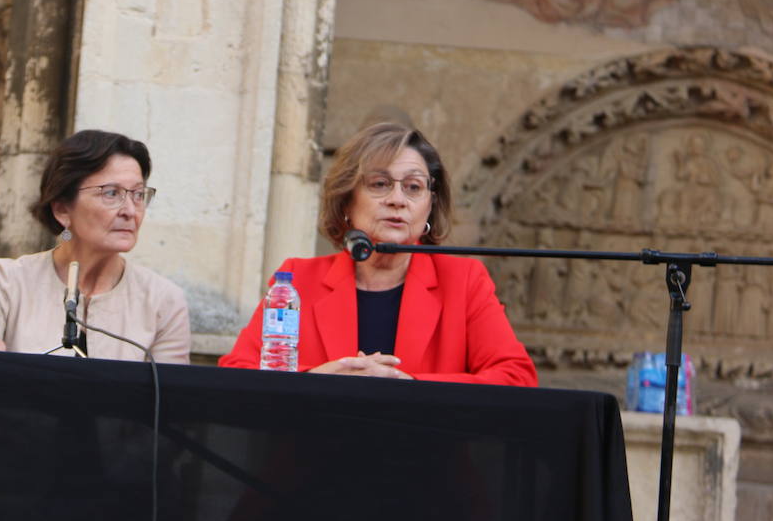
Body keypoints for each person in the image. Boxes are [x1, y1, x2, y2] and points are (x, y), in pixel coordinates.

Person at [220, 121, 536, 385]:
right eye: (380, 183)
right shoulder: (298, 281)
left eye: (413, 187)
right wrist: (317, 380)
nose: (397, 199)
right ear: (346, 201)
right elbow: (237, 373)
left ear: (430, 205)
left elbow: (516, 376)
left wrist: (410, 387)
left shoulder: (464, 282)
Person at [0, 129, 190, 363]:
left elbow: (174, 400)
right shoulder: (10, 281)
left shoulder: (163, 301)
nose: (130, 211)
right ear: (62, 209)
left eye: (138, 194)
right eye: (111, 193)